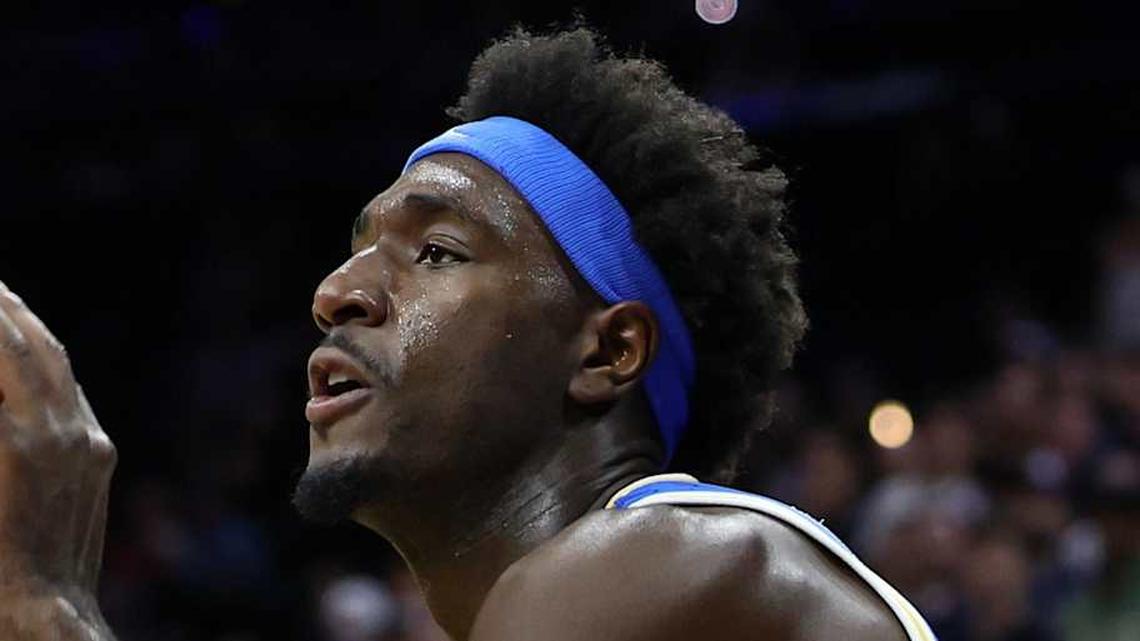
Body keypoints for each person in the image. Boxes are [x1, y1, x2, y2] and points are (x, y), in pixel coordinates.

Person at [0, 26, 936, 641]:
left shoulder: (670, 561)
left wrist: (42, 601)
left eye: (438, 252)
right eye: (354, 249)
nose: (335, 294)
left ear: (608, 352)